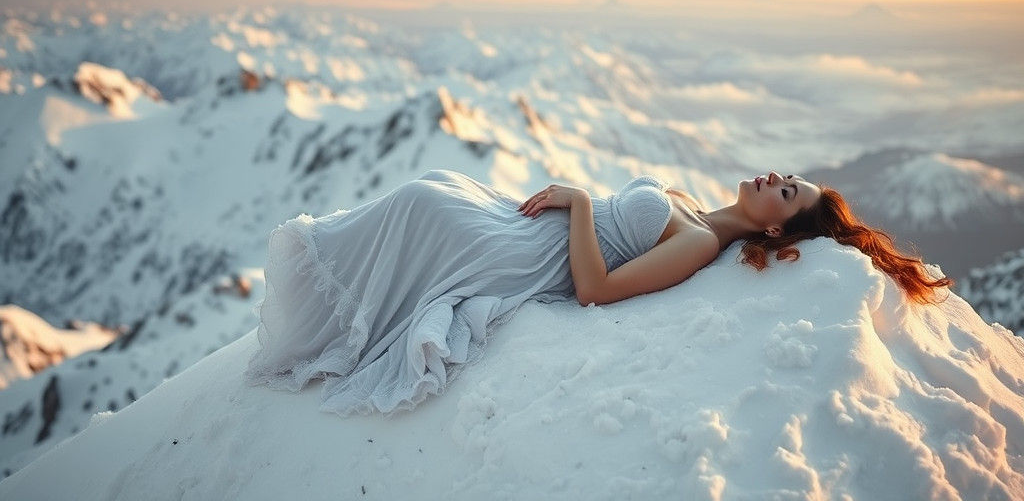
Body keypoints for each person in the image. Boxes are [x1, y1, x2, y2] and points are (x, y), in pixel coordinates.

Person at [245, 169, 950, 416]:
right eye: (786, 175)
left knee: (420, 204)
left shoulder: (703, 244)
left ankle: (325, 329)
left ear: (777, 227)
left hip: (524, 257)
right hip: (520, 227)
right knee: (429, 192)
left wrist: (580, 203)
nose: (774, 178)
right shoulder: (699, 213)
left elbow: (596, 289)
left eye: (787, 191)